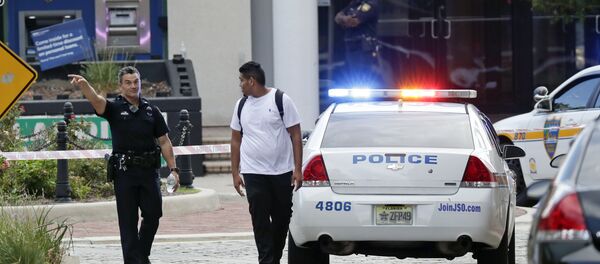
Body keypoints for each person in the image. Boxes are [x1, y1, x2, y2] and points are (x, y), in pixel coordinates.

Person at [68, 66, 180, 264]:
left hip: (148, 172)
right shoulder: (114, 108)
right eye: (128, 82)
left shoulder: (151, 111)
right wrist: (85, 86)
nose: (133, 86)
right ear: (121, 86)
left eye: (136, 82)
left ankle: (140, 255)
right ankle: (135, 260)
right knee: (128, 222)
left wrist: (173, 169)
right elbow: (96, 100)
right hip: (125, 173)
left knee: (154, 214)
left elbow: (164, 141)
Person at [230, 61, 303, 264]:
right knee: (259, 219)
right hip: (253, 173)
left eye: (242, 81)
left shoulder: (281, 100)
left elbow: (295, 135)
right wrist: (235, 172)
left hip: (281, 172)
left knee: (281, 220)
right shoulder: (241, 105)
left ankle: (274, 257)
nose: (240, 85)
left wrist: (298, 169)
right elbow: (236, 140)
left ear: (251, 81)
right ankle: (266, 260)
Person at [335, 0, 381, 86]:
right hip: (352, 45)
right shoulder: (354, 4)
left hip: (363, 47)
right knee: (352, 75)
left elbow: (354, 22)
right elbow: (337, 17)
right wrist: (345, 19)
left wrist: (343, 20)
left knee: (362, 76)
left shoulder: (370, 4)